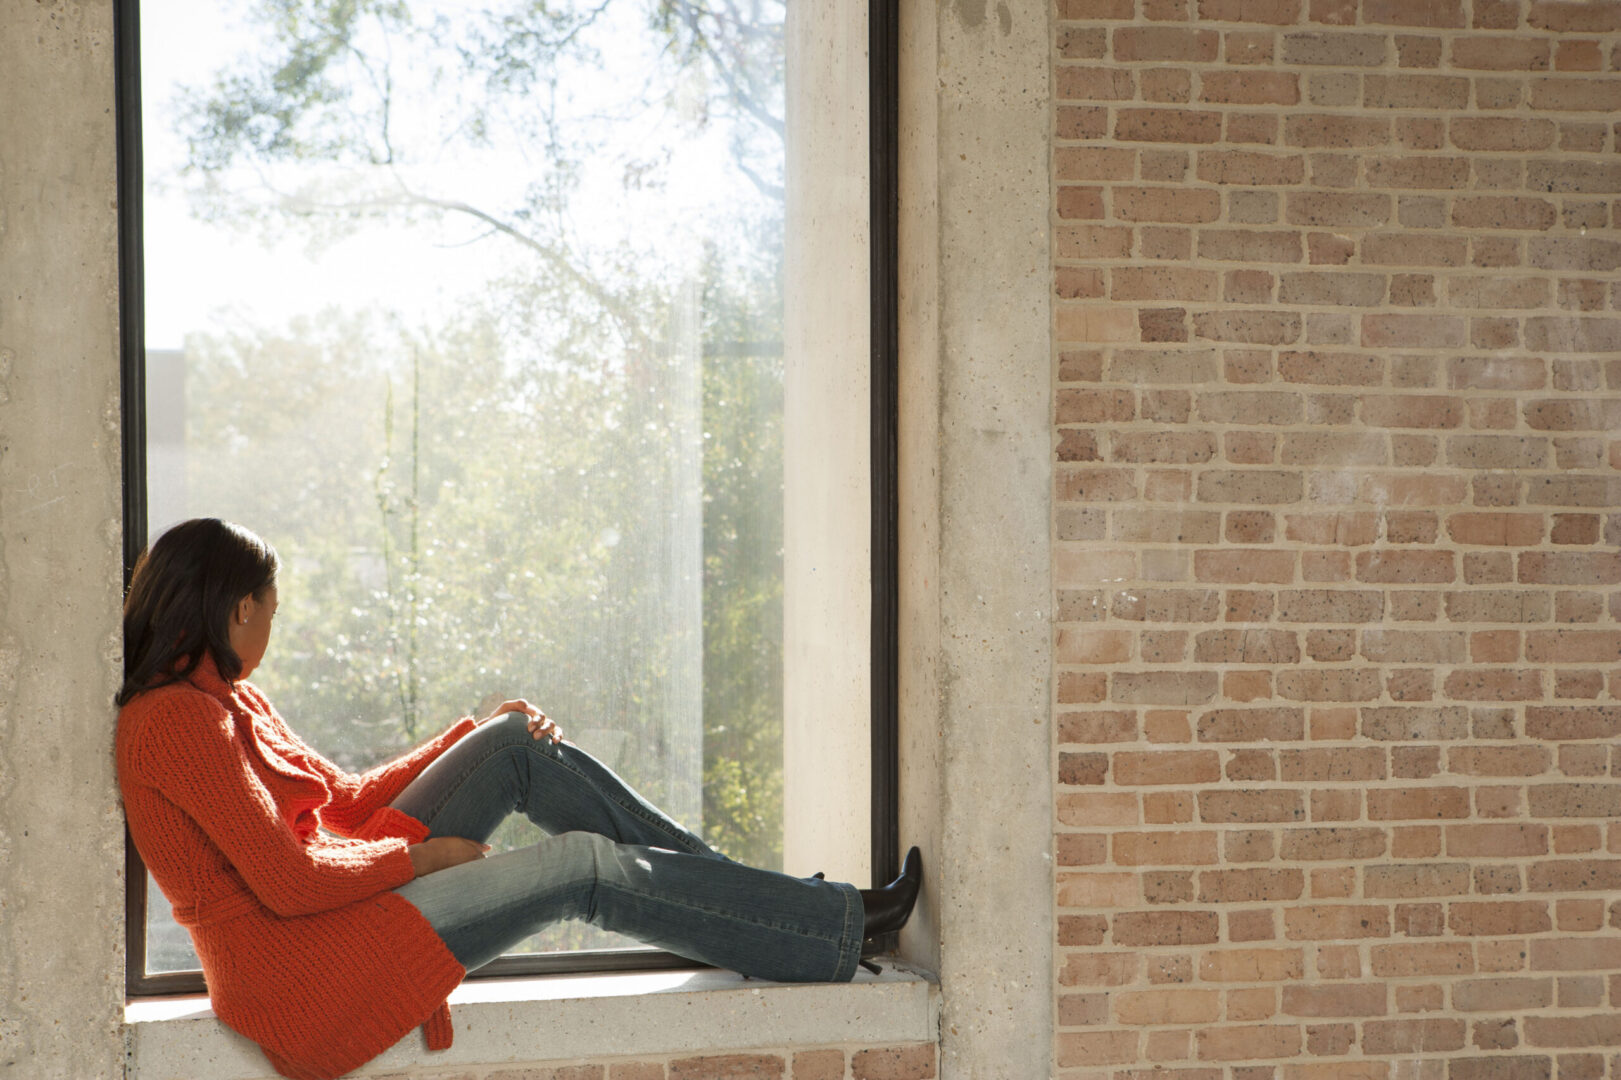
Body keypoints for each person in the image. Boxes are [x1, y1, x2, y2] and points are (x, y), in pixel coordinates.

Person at [116, 518, 922, 1080]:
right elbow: (289, 882)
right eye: (273, 615)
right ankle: (818, 924)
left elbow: (341, 802)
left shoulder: (226, 697)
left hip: (333, 905)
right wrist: (423, 857)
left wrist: (474, 732)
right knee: (581, 870)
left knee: (513, 748)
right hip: (302, 971)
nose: (271, 633)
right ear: (240, 606)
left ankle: (770, 916)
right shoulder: (172, 723)